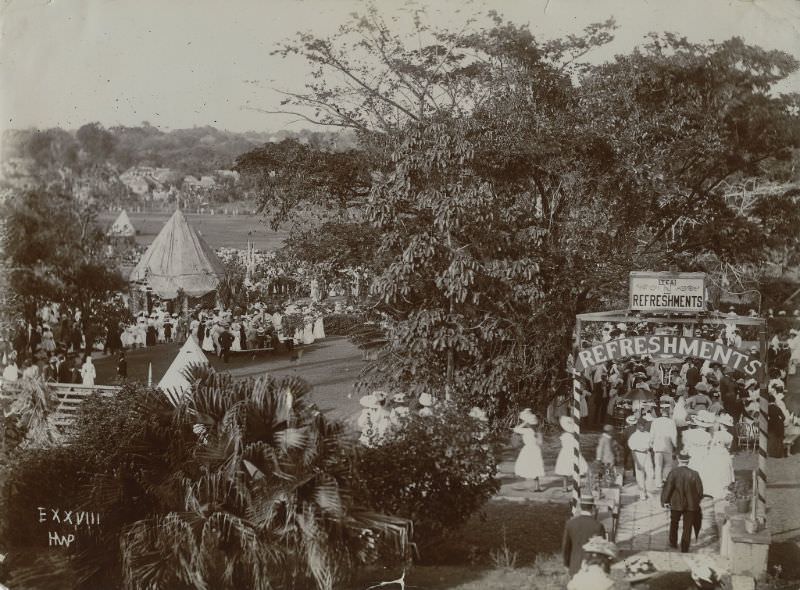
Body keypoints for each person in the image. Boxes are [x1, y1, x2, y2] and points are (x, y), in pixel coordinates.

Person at [661, 451, 704, 552]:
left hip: (676, 503)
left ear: (679, 460)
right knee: (688, 526)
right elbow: (700, 491)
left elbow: (668, 488)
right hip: (691, 505)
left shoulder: (673, 473)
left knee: (674, 522)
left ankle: (673, 543)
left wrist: (665, 501)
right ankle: (685, 547)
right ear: (688, 460)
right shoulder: (694, 474)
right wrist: (696, 501)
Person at [562, 495, 606, 576]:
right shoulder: (598, 526)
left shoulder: (570, 524)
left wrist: (566, 564)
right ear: (593, 507)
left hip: (574, 567)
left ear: (581, 506)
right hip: (592, 568)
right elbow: (602, 550)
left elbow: (566, 548)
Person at [512, 409, 545, 492]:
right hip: (535, 449)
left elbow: (515, 429)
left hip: (528, 449)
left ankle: (520, 484)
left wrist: (524, 423)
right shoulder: (538, 432)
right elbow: (540, 443)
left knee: (523, 465)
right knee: (535, 467)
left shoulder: (527, 431)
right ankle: (537, 486)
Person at [555, 416, 588, 492]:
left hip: (565, 453)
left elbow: (563, 444)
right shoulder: (574, 436)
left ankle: (565, 487)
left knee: (565, 472)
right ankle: (577, 485)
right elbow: (576, 445)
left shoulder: (563, 436)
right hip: (573, 452)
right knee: (576, 469)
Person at [627, 418, 654, 500]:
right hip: (638, 455)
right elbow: (633, 451)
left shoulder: (648, 434)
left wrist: (651, 456)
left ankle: (648, 491)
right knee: (640, 475)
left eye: (644, 425)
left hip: (647, 454)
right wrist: (637, 462)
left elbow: (651, 446)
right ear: (638, 425)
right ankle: (642, 493)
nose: (643, 427)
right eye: (641, 425)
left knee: (651, 474)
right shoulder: (634, 436)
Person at [651, 405, 677, 486]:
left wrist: (652, 443)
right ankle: (665, 479)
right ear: (668, 411)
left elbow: (652, 434)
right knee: (668, 464)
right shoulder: (671, 422)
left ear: (661, 411)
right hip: (667, 446)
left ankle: (658, 482)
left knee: (658, 465)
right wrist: (675, 445)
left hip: (657, 446)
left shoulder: (655, 421)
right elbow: (674, 435)